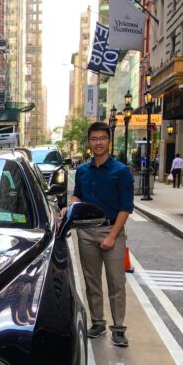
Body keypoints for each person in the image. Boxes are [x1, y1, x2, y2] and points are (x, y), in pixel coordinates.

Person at [63, 121, 134, 347]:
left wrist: (112, 236)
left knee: (116, 282)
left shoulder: (121, 172)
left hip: (111, 230)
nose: (98, 143)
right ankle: (98, 322)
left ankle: (119, 328)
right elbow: (78, 197)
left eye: (102, 138)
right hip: (86, 232)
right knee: (91, 281)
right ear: (89, 143)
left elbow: (126, 208)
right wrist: (69, 207)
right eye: (94, 139)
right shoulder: (83, 171)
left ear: (109, 141)